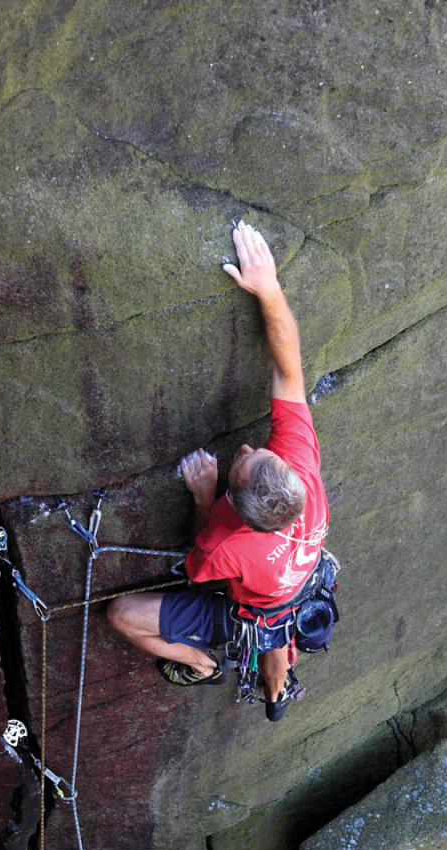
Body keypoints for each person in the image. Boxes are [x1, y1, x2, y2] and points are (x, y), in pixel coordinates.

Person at [107, 220, 329, 721]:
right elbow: (289, 366)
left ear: (238, 509)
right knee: (274, 627)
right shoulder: (303, 477)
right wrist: (269, 289)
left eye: (243, 460)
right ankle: (277, 693)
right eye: (256, 453)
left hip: (250, 604)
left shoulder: (225, 543)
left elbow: (200, 576)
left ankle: (204, 667)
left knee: (121, 615)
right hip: (295, 585)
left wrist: (204, 496)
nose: (248, 443)